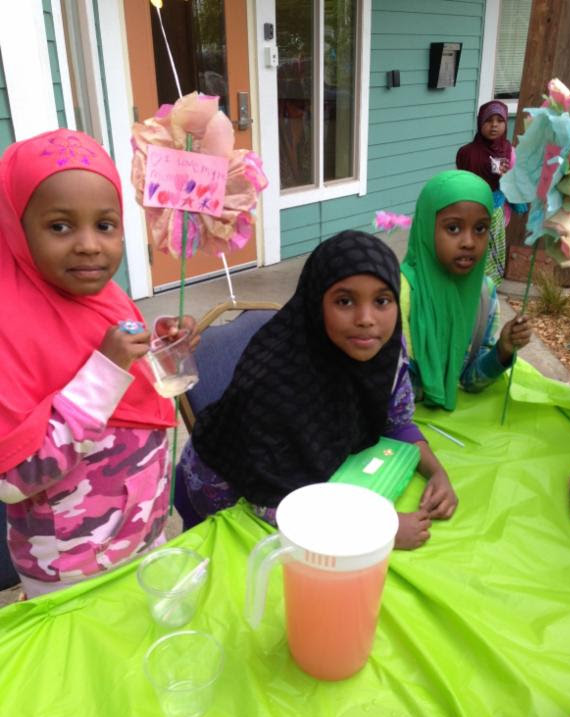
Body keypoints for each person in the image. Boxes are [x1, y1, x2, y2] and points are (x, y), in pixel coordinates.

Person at [0, 128, 196, 597]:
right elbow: (14, 479)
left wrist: (158, 342)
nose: (89, 245)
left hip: (139, 536)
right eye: (61, 226)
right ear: (16, 230)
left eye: (105, 225)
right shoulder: (9, 328)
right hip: (71, 568)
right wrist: (106, 370)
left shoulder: (107, 298)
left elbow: (122, 375)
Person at [176, 230, 457, 550]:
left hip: (311, 479)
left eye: (381, 301)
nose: (367, 319)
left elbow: (397, 422)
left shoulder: (388, 351)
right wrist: (378, 531)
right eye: (345, 301)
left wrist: (437, 473)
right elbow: (273, 501)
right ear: (315, 302)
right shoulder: (276, 379)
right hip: (230, 495)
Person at [399, 170, 532, 411]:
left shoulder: (483, 294)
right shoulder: (395, 293)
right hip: (396, 435)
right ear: (426, 227)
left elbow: (470, 381)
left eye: (480, 229)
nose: (469, 242)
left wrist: (503, 350)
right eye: (453, 228)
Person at [456, 100, 524, 285]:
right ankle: (470, 284)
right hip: (468, 211)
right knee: (470, 248)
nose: (494, 125)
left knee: (491, 250)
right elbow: (460, 182)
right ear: (480, 123)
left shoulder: (510, 152)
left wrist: (507, 177)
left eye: (499, 120)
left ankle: (489, 287)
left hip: (496, 211)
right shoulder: (466, 152)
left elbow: (516, 182)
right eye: (488, 120)